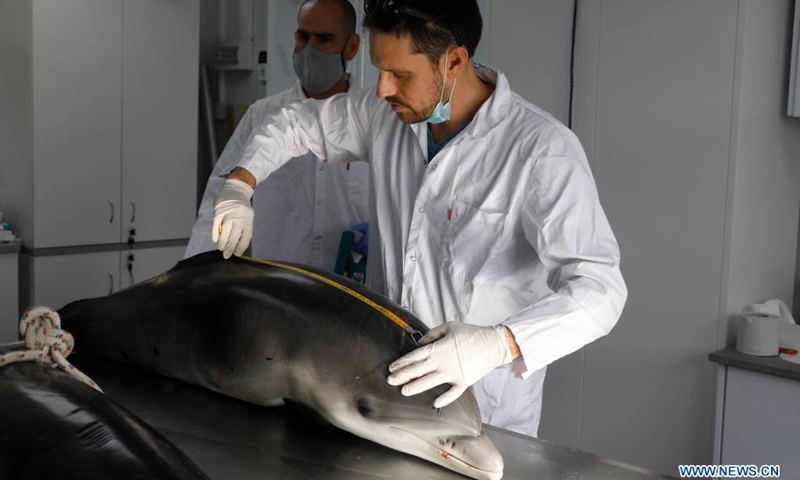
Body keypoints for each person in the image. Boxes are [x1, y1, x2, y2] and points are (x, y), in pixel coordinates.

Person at [211, 0, 627, 438]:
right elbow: (294, 124)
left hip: (486, 416)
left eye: (400, 74)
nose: (382, 89)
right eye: (379, 70)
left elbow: (599, 289)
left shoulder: (541, 151)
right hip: (381, 398)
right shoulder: (384, 117)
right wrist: (241, 182)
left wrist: (499, 343)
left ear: (454, 62)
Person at [186, 0, 369, 268]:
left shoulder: (372, 121)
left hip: (348, 284)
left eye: (324, 39)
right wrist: (197, 275)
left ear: (351, 46)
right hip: (276, 281)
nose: (310, 50)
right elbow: (219, 199)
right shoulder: (263, 115)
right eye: (303, 37)